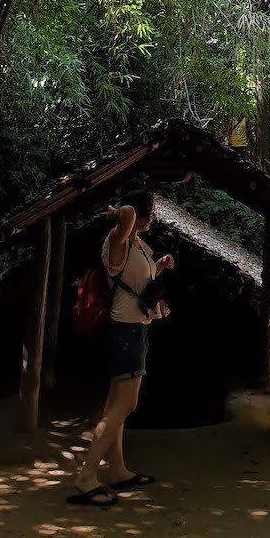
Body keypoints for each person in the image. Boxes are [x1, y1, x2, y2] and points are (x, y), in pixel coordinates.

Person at [68, 187, 174, 507]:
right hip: (126, 330)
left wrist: (160, 267)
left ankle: (117, 469)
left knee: (115, 404)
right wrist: (123, 211)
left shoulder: (137, 245)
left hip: (135, 329)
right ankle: (88, 475)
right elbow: (126, 216)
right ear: (137, 214)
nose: (153, 217)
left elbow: (138, 282)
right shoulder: (117, 241)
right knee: (125, 405)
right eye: (151, 211)